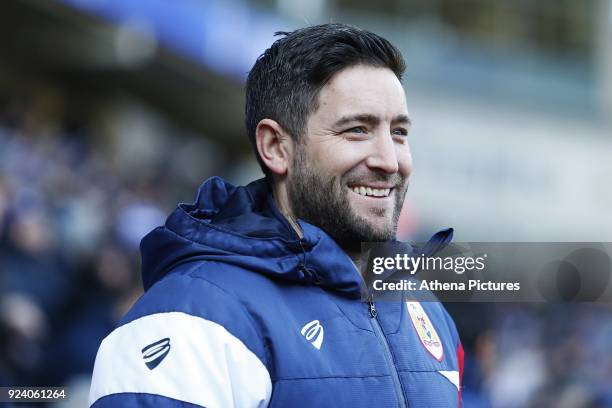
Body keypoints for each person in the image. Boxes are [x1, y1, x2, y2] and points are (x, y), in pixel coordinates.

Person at [88, 23, 463, 407]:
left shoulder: (426, 313)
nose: (389, 161)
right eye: (357, 130)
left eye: (398, 133)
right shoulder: (193, 318)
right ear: (275, 147)